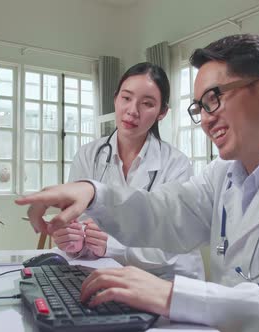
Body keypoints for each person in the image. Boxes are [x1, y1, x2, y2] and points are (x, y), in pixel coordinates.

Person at [16, 34, 259, 331]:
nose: (206, 119)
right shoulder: (221, 175)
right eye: (199, 107)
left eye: (214, 99)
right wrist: (93, 191)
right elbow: (162, 213)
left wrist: (175, 295)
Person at [53, 62, 204, 281]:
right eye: (126, 98)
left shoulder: (176, 165)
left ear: (162, 112)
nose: (132, 111)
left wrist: (112, 245)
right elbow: (80, 224)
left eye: (147, 104)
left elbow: (171, 244)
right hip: (111, 276)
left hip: (168, 281)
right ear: (115, 98)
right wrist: (74, 243)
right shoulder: (88, 156)